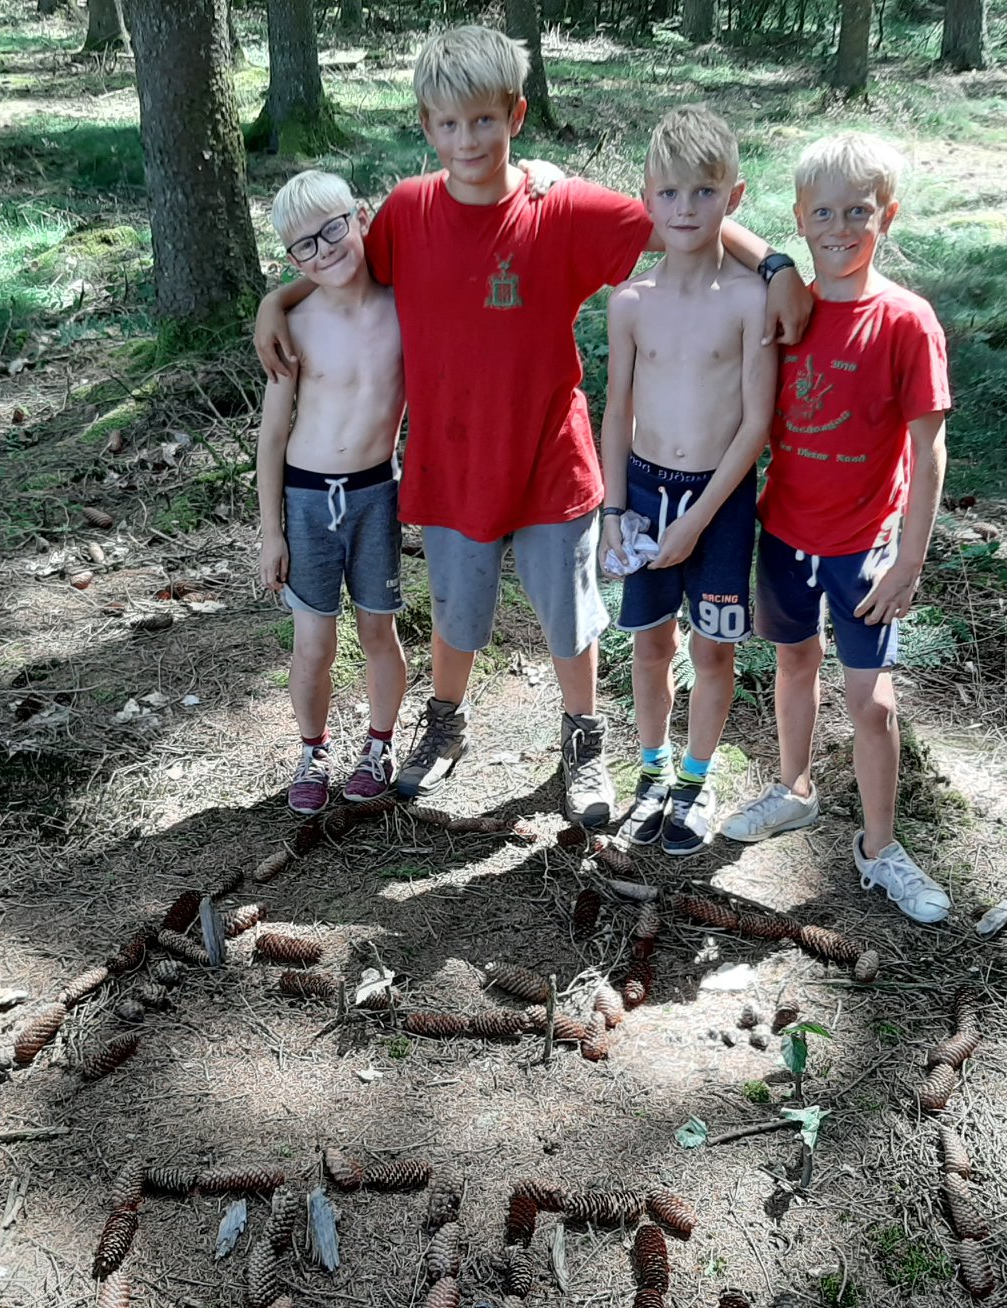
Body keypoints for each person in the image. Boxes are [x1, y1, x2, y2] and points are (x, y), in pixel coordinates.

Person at [254, 25, 810, 827]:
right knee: (456, 611)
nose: (467, 139)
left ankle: (581, 738)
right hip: (452, 464)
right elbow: (339, 271)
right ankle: (444, 724)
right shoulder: (409, 212)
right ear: (426, 126)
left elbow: (680, 219)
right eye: (448, 124)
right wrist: (278, 300)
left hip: (552, 461)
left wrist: (775, 263)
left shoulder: (565, 209)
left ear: (516, 114)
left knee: (569, 616)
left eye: (484, 119)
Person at [718, 133, 953, 923]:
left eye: (858, 212)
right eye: (823, 212)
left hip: (865, 547)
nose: (840, 227)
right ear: (799, 218)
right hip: (784, 533)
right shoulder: (791, 310)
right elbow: (705, 211)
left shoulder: (906, 321)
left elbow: (929, 450)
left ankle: (880, 848)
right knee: (793, 664)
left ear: (887, 215)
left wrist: (909, 561)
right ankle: (794, 789)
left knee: (873, 704)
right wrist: (776, 265)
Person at [598, 105, 777, 856]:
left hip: (721, 502)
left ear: (732, 197)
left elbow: (757, 424)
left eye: (703, 192)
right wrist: (612, 510)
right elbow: (614, 410)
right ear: (646, 194)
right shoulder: (630, 302)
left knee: (712, 650)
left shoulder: (749, 299)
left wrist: (699, 519)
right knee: (649, 644)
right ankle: (651, 771)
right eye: (668, 193)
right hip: (642, 491)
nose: (684, 209)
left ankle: (695, 783)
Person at [256, 169, 408, 813]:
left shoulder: (407, 308)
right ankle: (312, 750)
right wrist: (270, 530)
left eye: (333, 230)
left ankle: (378, 743)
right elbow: (271, 437)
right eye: (304, 248)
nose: (324, 252)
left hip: (377, 494)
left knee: (379, 629)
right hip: (308, 499)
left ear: (362, 216)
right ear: (291, 260)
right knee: (314, 642)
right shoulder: (296, 324)